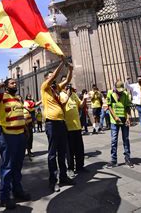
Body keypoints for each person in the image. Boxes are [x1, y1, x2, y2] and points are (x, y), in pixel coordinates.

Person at [0, 78, 30, 209]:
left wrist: (26, 130)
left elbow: (20, 115)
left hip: (20, 135)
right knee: (8, 166)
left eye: (15, 83)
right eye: (12, 83)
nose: (15, 84)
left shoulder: (18, 98)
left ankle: (17, 190)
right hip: (7, 135)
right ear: (6, 87)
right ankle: (4, 197)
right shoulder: (1, 96)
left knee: (18, 164)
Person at [42, 58, 75, 192]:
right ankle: (53, 181)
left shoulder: (56, 88)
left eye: (53, 78)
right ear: (46, 79)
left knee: (62, 151)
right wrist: (62, 62)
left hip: (61, 123)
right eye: (50, 77)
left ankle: (63, 177)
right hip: (51, 124)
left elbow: (67, 81)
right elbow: (55, 75)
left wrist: (71, 69)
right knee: (52, 154)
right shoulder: (45, 87)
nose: (53, 79)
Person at [105, 81, 134, 169]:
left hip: (124, 119)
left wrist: (128, 118)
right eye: (118, 90)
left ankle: (127, 158)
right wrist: (115, 117)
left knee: (126, 139)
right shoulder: (110, 93)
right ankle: (113, 160)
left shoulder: (125, 94)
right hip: (114, 121)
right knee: (114, 140)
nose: (120, 92)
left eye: (121, 90)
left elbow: (127, 107)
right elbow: (109, 106)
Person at [61, 84, 85, 175]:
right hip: (68, 127)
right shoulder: (61, 95)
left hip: (77, 126)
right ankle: (70, 168)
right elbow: (62, 105)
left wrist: (85, 99)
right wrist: (67, 94)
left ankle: (80, 166)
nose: (68, 87)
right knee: (70, 150)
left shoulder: (74, 95)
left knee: (79, 148)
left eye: (69, 86)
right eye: (66, 85)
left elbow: (81, 106)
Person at [24, 94, 38, 158]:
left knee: (30, 137)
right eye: (28, 96)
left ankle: (29, 150)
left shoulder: (31, 102)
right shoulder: (26, 103)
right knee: (26, 137)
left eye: (30, 96)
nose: (29, 97)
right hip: (24, 123)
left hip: (30, 122)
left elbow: (33, 110)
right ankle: (25, 151)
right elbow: (34, 105)